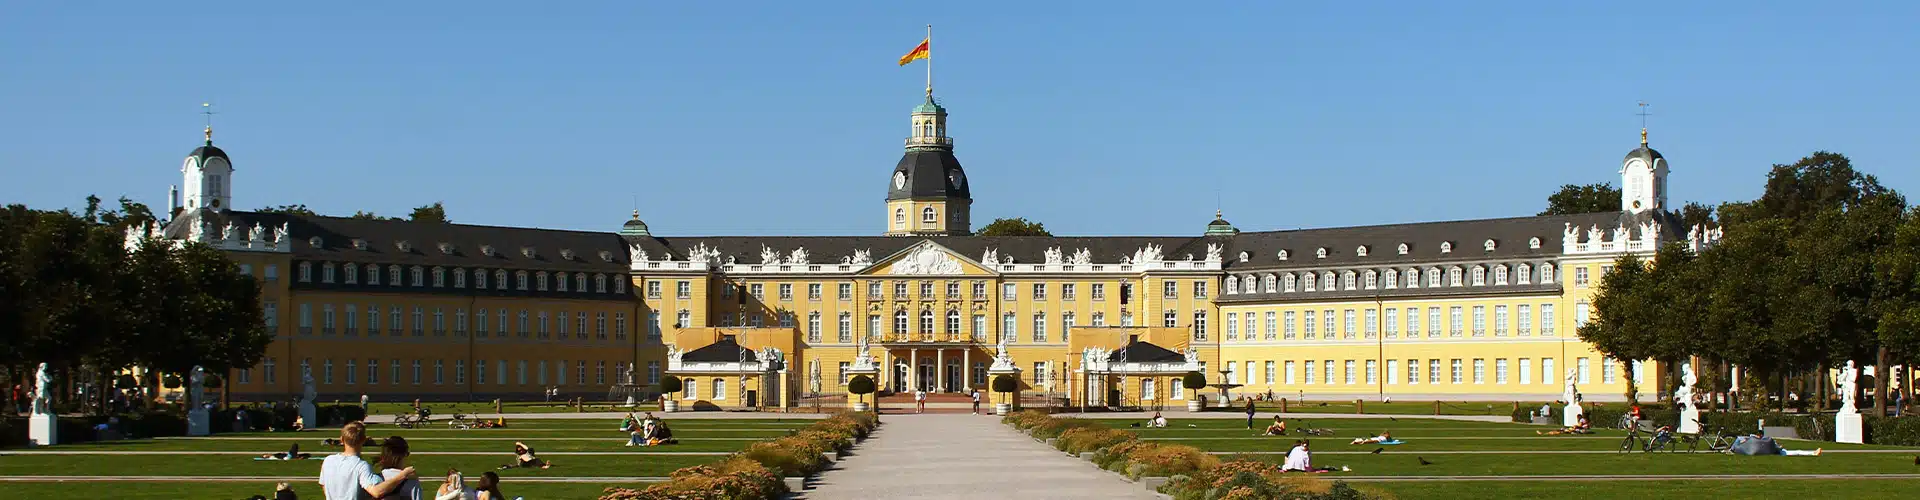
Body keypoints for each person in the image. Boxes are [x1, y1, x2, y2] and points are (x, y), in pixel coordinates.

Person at [317, 421, 415, 500]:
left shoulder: (328, 461)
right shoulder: (361, 466)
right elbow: (377, 492)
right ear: (364, 440)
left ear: (342, 440)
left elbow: (324, 485)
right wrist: (403, 474)